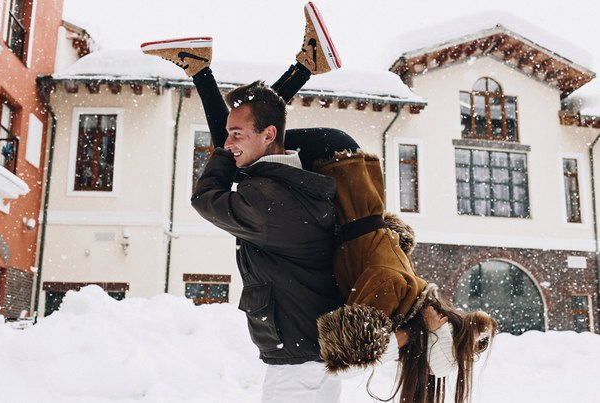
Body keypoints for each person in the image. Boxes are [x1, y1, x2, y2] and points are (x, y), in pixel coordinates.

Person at [141, 2, 497, 402]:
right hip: (335, 157)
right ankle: (291, 64)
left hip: (336, 165)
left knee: (246, 143)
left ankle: (263, 65)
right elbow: (231, 167)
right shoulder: (391, 288)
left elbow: (213, 189)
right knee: (246, 142)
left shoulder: (395, 295)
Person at [142, 3, 351, 402]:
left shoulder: (271, 201)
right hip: (304, 354)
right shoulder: (281, 186)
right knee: (246, 148)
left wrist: (228, 149)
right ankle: (299, 63)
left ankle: (223, 67)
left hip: (299, 360)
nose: (227, 143)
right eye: (228, 134)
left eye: (235, 134)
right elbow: (250, 144)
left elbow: (205, 198)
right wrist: (237, 143)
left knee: (242, 154)